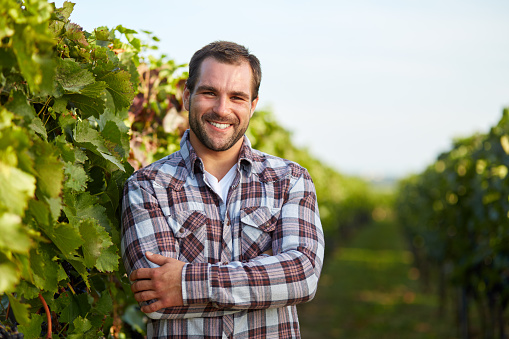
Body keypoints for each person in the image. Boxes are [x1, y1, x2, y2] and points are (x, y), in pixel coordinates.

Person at [121, 41, 325, 338]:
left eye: (237, 97)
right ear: (187, 95)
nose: (222, 109)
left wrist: (187, 283)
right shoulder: (146, 186)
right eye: (209, 92)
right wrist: (267, 284)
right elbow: (157, 299)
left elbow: (301, 277)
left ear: (252, 105)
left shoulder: (290, 180)